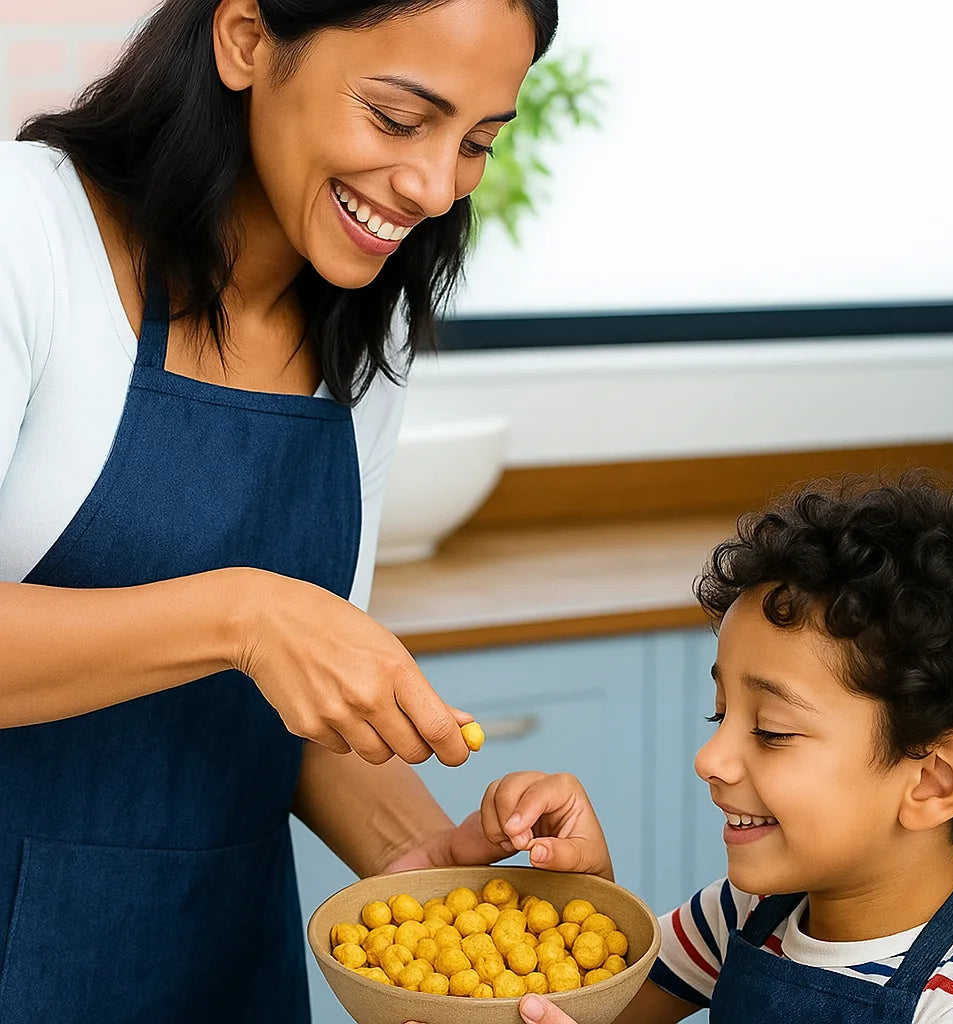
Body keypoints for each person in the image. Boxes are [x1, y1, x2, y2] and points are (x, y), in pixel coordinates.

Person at [0, 1, 558, 1021]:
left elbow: (295, 699)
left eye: (477, 141)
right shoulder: (24, 232)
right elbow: (263, 635)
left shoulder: (360, 327)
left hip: (222, 964)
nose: (435, 188)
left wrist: (425, 863)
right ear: (248, 38)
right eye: (398, 118)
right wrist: (243, 617)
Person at [472, 477, 953, 1023]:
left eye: (772, 730)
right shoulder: (741, 915)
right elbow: (599, 1007)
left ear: (934, 780)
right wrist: (586, 903)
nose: (708, 759)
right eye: (721, 713)